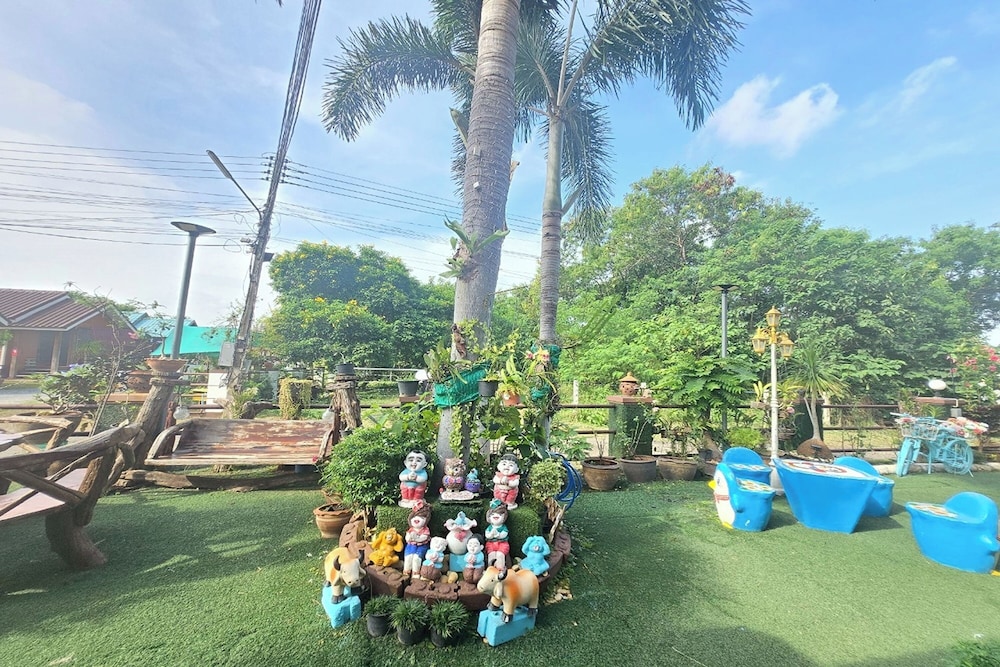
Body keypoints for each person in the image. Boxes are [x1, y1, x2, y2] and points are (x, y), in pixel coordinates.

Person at [402, 501, 432, 578]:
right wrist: (408, 537)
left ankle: (415, 572)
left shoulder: (425, 530)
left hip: (422, 546)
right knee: (408, 557)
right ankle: (407, 571)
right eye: (414, 517)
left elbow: (424, 537)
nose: (417, 520)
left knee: (416, 558)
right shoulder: (411, 529)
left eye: (422, 518)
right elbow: (407, 536)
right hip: (411, 545)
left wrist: (416, 538)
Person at [484, 500, 510, 571]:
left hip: (502, 543)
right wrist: (491, 534)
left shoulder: (503, 527)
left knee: (500, 555)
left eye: (499, 515)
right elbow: (487, 535)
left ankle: (500, 569)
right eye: (493, 514)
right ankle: (491, 569)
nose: (496, 516)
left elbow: (504, 534)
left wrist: (498, 534)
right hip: (491, 544)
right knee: (491, 555)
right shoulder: (490, 527)